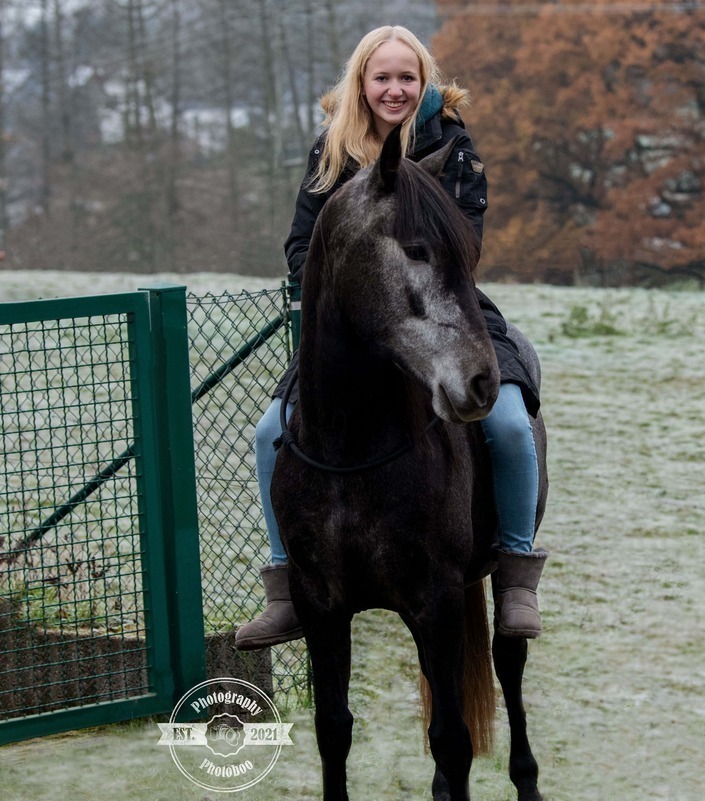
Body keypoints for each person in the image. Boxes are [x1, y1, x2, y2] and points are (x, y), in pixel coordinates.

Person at [235, 25, 547, 650]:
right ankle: (285, 587)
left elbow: (463, 247)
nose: (395, 89)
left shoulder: (451, 147)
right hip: (349, 332)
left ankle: (516, 575)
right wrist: (346, 289)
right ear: (362, 82)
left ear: (424, 83)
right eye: (383, 77)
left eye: (408, 77)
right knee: (271, 432)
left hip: (444, 310)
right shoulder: (332, 149)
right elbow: (300, 248)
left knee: (511, 424)